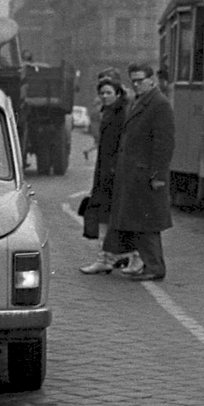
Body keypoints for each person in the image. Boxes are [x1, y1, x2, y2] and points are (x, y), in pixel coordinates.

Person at [103, 61, 175, 282]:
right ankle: (147, 264)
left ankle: (155, 266)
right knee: (140, 222)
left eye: (140, 81)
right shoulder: (140, 101)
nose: (136, 85)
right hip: (135, 174)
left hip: (146, 175)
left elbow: (164, 144)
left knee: (147, 224)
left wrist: (158, 177)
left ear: (151, 80)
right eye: (133, 81)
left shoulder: (159, 104)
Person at [78, 71, 129, 272]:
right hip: (105, 171)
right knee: (106, 216)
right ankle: (111, 257)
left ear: (117, 93)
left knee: (106, 216)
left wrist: (113, 168)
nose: (105, 96)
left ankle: (106, 258)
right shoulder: (110, 112)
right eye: (102, 93)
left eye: (108, 92)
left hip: (111, 173)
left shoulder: (119, 114)